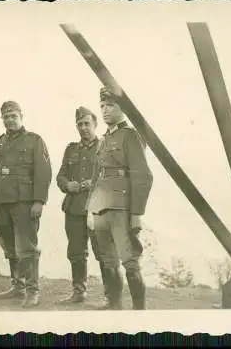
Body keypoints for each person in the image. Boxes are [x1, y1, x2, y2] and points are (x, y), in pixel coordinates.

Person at [86, 86, 153, 310]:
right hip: (101, 207)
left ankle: (139, 311)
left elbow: (143, 176)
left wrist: (136, 214)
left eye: (110, 105)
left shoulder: (130, 136)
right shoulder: (104, 139)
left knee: (130, 261)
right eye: (102, 106)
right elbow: (97, 176)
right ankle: (114, 304)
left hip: (122, 208)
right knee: (108, 259)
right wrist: (90, 208)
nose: (105, 110)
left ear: (122, 108)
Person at [0, 100, 52, 308]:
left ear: (22, 116)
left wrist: (39, 201)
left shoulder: (34, 140)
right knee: (9, 246)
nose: (10, 120)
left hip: (24, 202)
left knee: (27, 248)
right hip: (2, 201)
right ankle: (18, 286)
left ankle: (32, 290)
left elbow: (44, 173)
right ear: (1, 118)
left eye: (13, 115)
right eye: (6, 116)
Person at [56, 106, 105, 304]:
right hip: (74, 208)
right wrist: (68, 185)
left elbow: (112, 176)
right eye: (80, 124)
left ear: (95, 125)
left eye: (87, 124)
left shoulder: (105, 146)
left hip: (99, 208)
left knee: (103, 252)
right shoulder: (71, 149)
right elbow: (60, 176)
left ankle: (110, 294)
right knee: (76, 251)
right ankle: (79, 292)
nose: (83, 128)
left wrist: (92, 184)